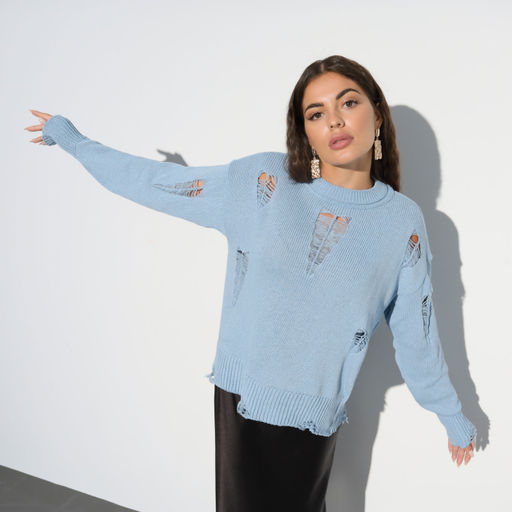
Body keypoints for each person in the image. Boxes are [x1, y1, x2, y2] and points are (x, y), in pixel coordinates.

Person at [25, 54, 477, 512]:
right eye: (316, 113)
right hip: (242, 398)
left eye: (348, 102)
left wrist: (450, 411)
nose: (334, 121)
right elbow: (161, 183)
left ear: (376, 114)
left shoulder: (402, 223)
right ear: (304, 132)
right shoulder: (266, 182)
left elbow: (417, 334)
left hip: (312, 415)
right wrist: (77, 143)